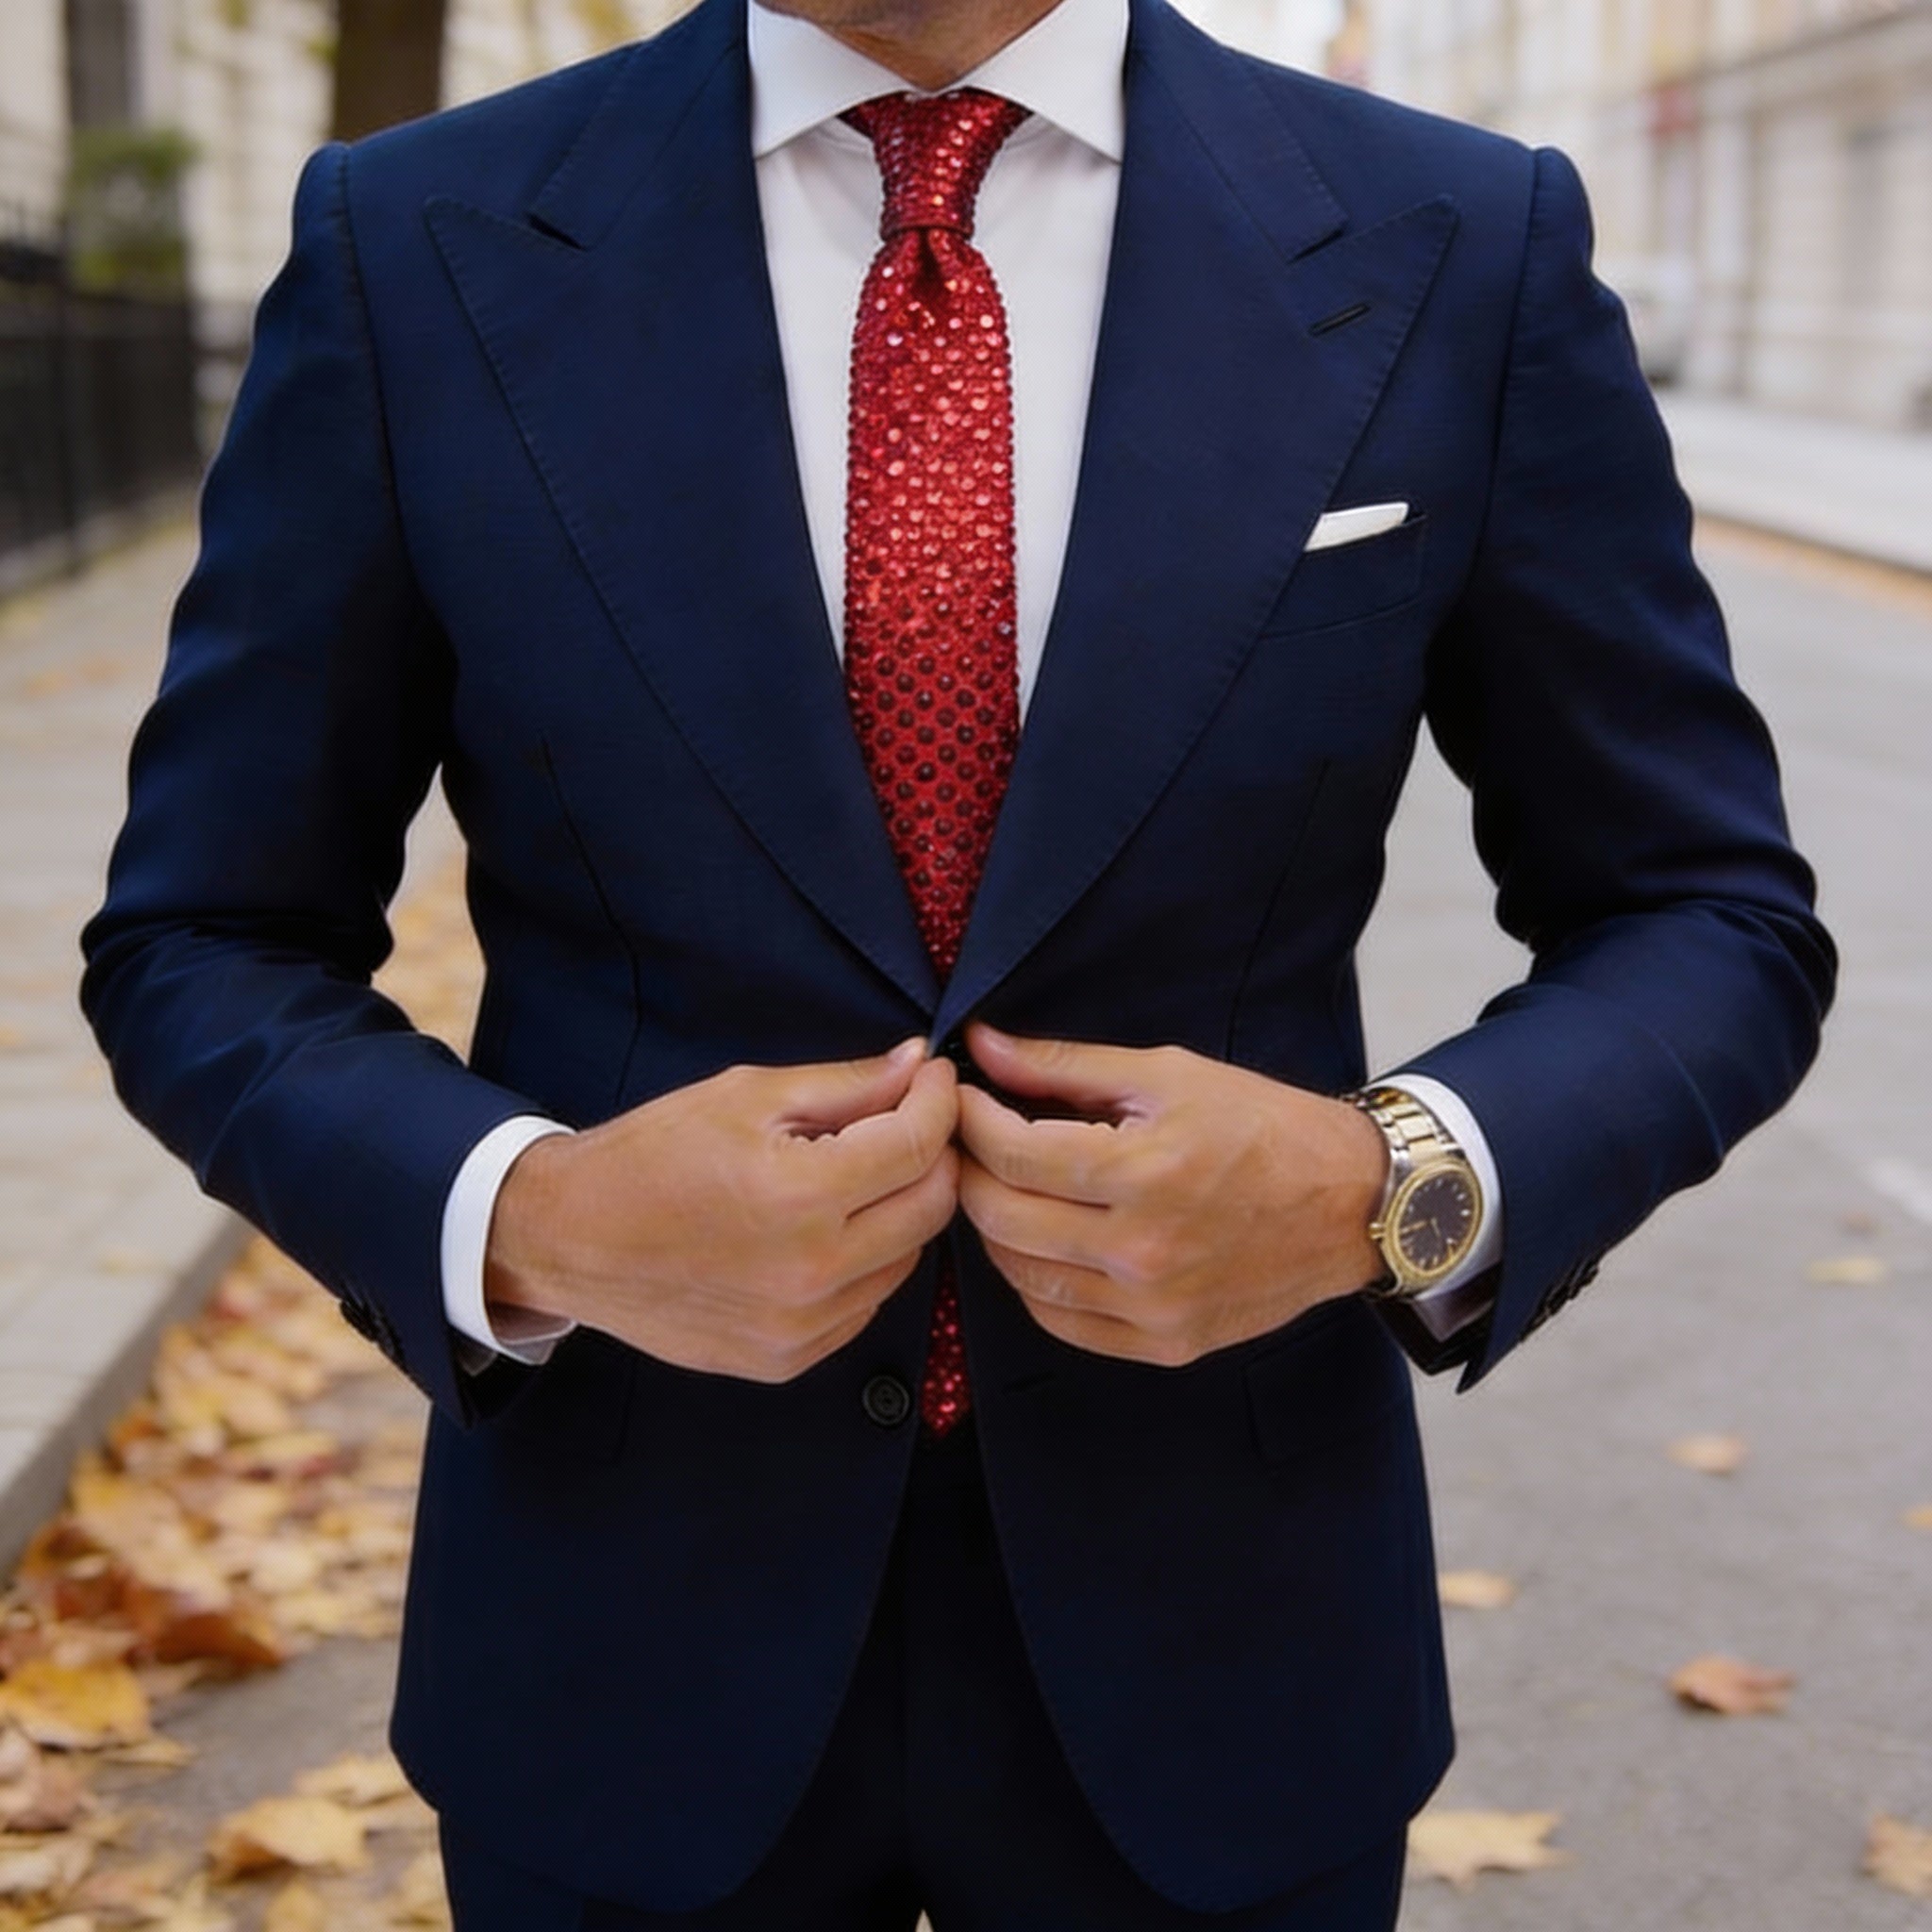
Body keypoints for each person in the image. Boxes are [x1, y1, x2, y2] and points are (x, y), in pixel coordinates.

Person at [79, 0, 1835, 1922]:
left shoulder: (1453, 235)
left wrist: (1380, 1182)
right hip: (620, 1646)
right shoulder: (415, 237)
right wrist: (534, 1214)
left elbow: (1703, 913)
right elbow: (205, 934)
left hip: (1227, 1648)